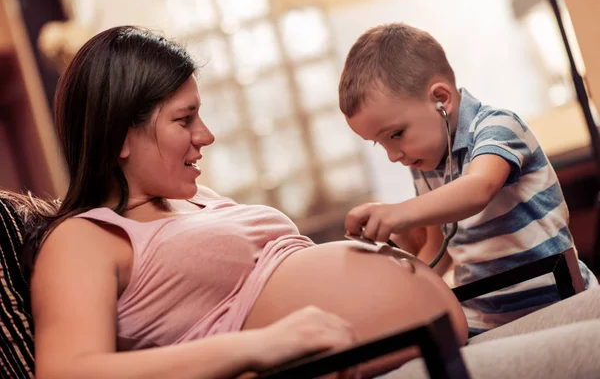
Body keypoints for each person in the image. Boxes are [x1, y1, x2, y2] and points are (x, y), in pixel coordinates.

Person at [28, 25, 468, 379]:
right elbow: (68, 371)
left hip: (438, 345)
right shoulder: (82, 239)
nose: (206, 135)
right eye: (184, 119)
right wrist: (263, 344)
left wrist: (401, 255)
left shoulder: (199, 200)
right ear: (122, 135)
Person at [338, 22, 597, 336]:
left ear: (441, 99)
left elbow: (478, 189)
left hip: (559, 298)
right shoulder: (425, 165)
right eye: (382, 144)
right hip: (484, 316)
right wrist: (402, 287)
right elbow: (439, 245)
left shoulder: (498, 127)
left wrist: (397, 212)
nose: (394, 155)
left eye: (396, 134)